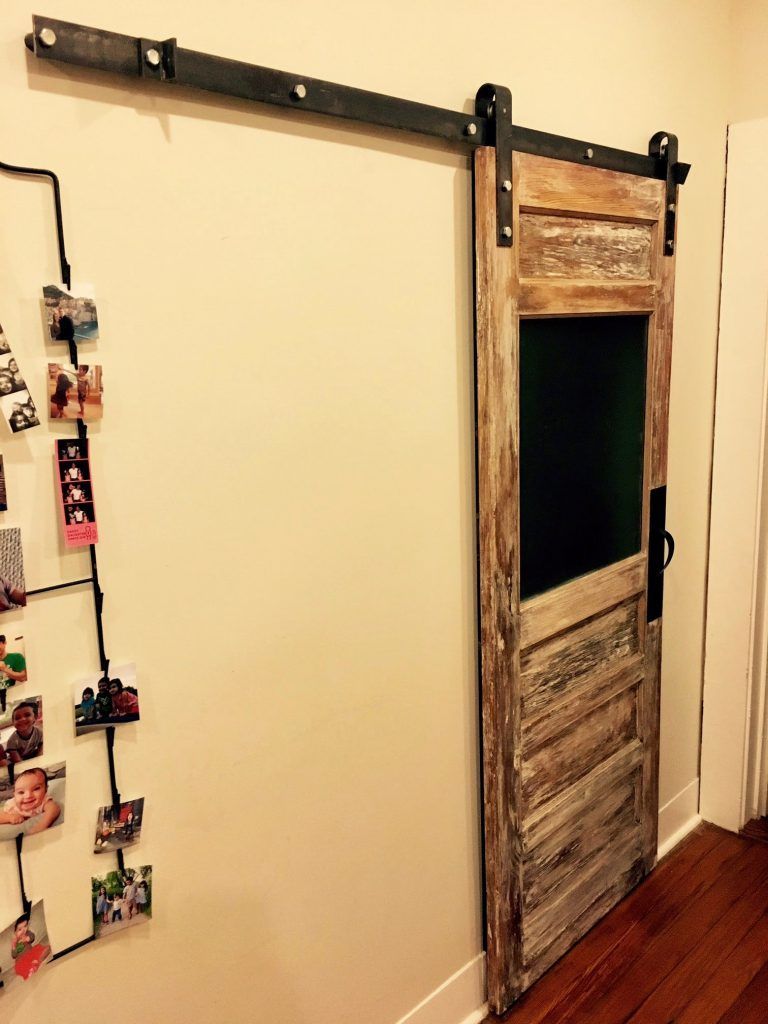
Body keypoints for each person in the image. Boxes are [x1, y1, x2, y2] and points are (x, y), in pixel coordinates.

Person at [0, 767, 60, 834]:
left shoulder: (43, 801)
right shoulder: (13, 805)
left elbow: (54, 809)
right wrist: (9, 817)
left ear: (46, 789)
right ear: (14, 794)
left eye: (36, 789)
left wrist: (42, 825)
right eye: (21, 792)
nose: (28, 796)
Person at [10, 913, 50, 981]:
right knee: (19, 967)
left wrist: (28, 938)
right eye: (19, 929)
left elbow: (32, 936)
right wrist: (13, 946)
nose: (23, 930)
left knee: (39, 948)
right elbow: (14, 955)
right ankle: (30, 969)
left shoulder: (27, 933)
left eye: (25, 926)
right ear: (15, 933)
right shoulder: (15, 942)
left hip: (31, 953)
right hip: (21, 959)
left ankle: (38, 961)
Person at [0, 635, 26, 712]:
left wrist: (5, 669)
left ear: (5, 643)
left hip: (14, 701)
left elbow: (23, 678)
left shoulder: (16, 657)